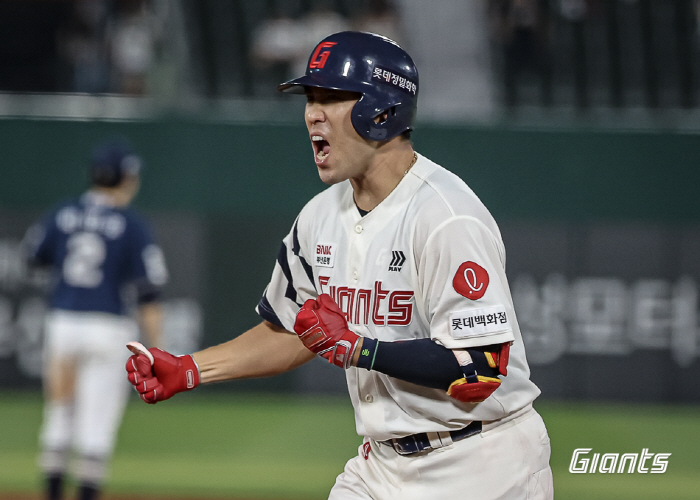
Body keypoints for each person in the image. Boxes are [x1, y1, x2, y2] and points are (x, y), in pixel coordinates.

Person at [125, 31, 553, 499]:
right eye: (311, 98)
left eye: (331, 97)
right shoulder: (319, 217)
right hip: (380, 466)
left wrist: (360, 348)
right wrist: (189, 369)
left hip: (479, 461)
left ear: (382, 111)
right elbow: (288, 331)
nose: (312, 112)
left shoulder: (445, 217)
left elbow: (481, 367)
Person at [24, 137, 168, 500]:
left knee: (60, 413)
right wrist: (157, 348)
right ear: (126, 178)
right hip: (107, 326)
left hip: (63, 322)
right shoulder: (130, 224)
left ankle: (53, 493)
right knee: (96, 423)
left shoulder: (63, 212)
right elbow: (148, 293)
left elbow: (33, 257)